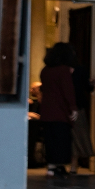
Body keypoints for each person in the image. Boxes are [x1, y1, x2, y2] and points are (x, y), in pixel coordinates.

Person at [39, 43, 78, 177]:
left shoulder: (45, 70)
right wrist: (73, 108)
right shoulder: (63, 70)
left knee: (50, 140)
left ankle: (51, 167)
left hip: (46, 110)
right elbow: (68, 91)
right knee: (62, 140)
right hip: (60, 111)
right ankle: (58, 166)